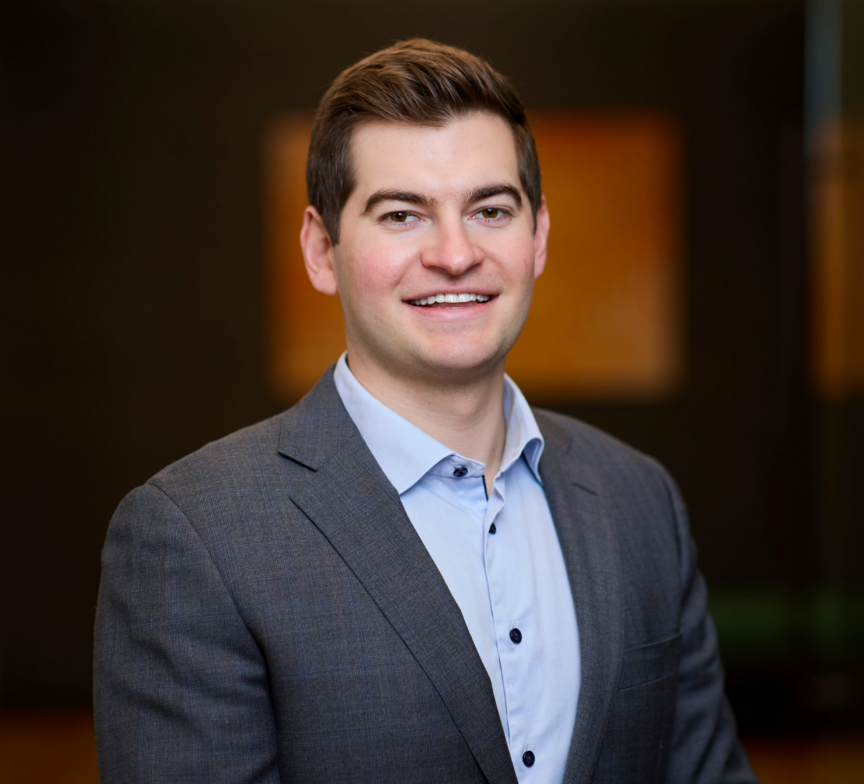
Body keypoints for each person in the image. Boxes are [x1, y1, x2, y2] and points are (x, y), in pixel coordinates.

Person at [94, 39, 758, 784]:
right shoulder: (194, 537)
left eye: (490, 210)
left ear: (538, 236)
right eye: (403, 215)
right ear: (321, 250)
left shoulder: (639, 498)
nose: (454, 253)